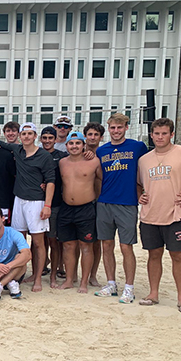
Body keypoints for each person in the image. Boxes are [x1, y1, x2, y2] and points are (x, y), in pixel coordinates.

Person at [137, 118, 181, 315]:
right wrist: (139, 196)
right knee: (154, 255)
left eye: (164, 133)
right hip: (150, 215)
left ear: (171, 134)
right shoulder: (144, 159)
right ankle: (153, 293)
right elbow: (138, 184)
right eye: (156, 133)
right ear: (151, 135)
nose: (160, 137)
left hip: (176, 214)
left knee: (178, 256)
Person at [94, 113, 148, 302]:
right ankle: (110, 284)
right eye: (112, 128)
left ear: (126, 127)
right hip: (105, 202)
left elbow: (145, 170)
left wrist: (143, 190)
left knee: (126, 247)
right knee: (106, 245)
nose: (116, 131)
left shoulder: (137, 147)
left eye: (119, 127)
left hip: (127, 202)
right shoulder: (102, 151)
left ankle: (129, 287)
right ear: (108, 129)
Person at [0, 122, 56, 292]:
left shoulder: (44, 156)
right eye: (24, 134)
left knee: (38, 243)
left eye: (30, 134)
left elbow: (51, 182)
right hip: (19, 200)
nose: (26, 136)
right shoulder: (18, 150)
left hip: (36, 202)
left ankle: (38, 278)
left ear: (35, 136)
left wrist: (47, 205)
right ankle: (23, 274)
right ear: (20, 136)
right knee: (19, 240)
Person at [57, 131, 102, 293]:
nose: (74, 146)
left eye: (77, 143)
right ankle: (69, 279)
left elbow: (102, 182)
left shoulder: (94, 161)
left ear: (83, 145)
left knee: (86, 246)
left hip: (86, 208)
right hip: (66, 208)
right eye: (71, 143)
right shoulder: (62, 162)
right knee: (68, 246)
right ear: (66, 145)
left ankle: (84, 282)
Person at [40, 126, 69, 288]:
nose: (47, 141)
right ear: (40, 139)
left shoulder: (62, 157)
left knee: (54, 240)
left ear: (55, 139)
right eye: (44, 138)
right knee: (39, 239)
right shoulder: (35, 154)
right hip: (37, 202)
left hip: (56, 203)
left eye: (50, 138)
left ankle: (56, 271)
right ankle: (43, 266)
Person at [82, 122, 105, 287]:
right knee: (78, 241)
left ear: (101, 137)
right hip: (83, 202)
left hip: (100, 200)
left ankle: (93, 274)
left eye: (96, 135)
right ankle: (75, 274)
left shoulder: (105, 154)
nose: (92, 137)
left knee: (97, 242)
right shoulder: (78, 153)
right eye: (90, 134)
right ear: (85, 136)